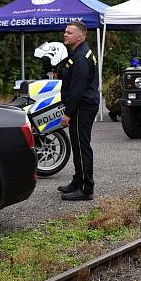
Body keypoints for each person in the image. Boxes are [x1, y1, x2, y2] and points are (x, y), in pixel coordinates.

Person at [58, 20, 100, 201]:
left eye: (69, 32)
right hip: (82, 105)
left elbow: (78, 89)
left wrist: (68, 113)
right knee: (77, 145)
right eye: (65, 31)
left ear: (80, 36)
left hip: (82, 107)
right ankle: (78, 180)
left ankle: (85, 189)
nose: (65, 34)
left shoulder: (81, 57)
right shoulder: (78, 53)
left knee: (82, 147)